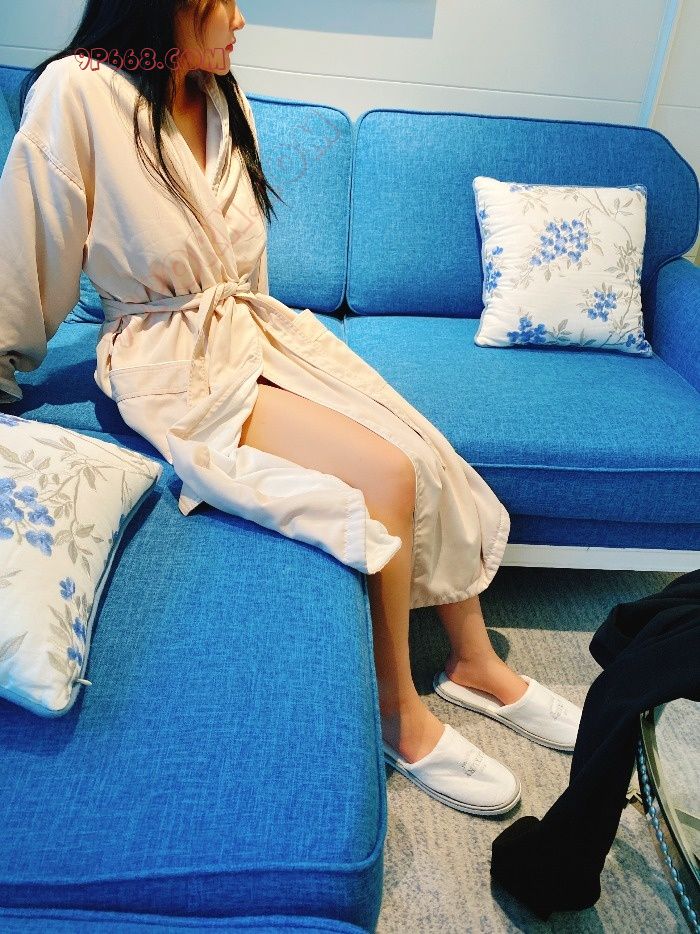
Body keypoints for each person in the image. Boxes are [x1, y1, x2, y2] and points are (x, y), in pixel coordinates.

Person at [0, 0, 582, 815]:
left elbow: (247, 266)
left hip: (249, 331)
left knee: (417, 440)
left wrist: (285, 371)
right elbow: (29, 247)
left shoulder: (219, 93)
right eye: (222, 2)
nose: (240, 20)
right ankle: (397, 712)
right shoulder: (78, 94)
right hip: (170, 359)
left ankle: (474, 664)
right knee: (384, 474)